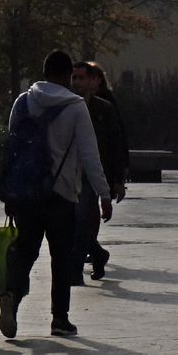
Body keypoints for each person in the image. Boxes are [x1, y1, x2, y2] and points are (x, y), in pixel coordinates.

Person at [0, 50, 113, 340]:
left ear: (44, 71)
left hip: (26, 192)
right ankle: (59, 319)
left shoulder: (22, 101)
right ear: (65, 75)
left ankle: (12, 295)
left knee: (25, 251)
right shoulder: (75, 107)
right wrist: (103, 192)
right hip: (61, 193)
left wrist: (11, 191)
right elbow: (89, 154)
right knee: (61, 257)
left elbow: (12, 147)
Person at [72, 61, 127, 282]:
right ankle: (97, 253)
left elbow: (116, 144)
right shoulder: (66, 106)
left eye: (81, 78)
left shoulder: (103, 109)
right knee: (77, 220)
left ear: (92, 81)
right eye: (74, 78)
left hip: (95, 172)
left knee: (84, 218)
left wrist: (118, 180)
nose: (77, 82)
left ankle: (75, 271)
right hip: (70, 172)